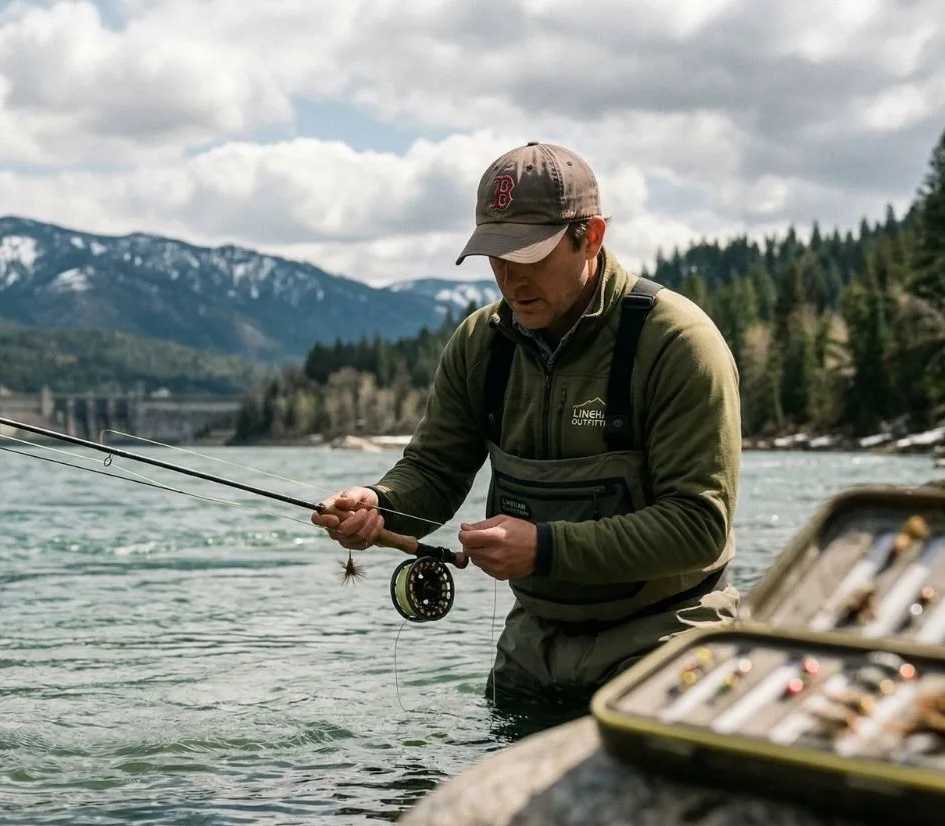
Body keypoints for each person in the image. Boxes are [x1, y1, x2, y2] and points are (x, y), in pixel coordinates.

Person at [313, 141, 742, 717]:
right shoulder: (480, 343)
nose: (510, 280)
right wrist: (380, 506)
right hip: (533, 643)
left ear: (590, 236)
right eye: (496, 257)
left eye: (530, 255)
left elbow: (698, 527)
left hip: (667, 637)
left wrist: (543, 548)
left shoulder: (677, 344)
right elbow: (434, 471)